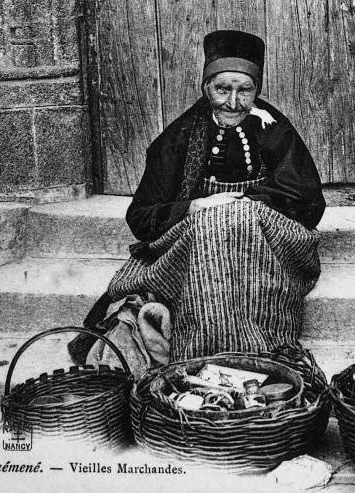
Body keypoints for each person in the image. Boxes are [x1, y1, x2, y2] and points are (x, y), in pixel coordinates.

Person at [99, 30, 325, 362]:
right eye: (223, 89)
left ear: (256, 90)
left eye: (244, 90)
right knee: (211, 229)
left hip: (265, 244)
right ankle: (210, 348)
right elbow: (142, 217)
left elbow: (309, 204)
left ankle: (261, 344)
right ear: (206, 88)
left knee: (236, 221)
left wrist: (250, 207)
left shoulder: (275, 129)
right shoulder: (179, 137)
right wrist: (197, 206)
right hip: (195, 241)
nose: (233, 102)